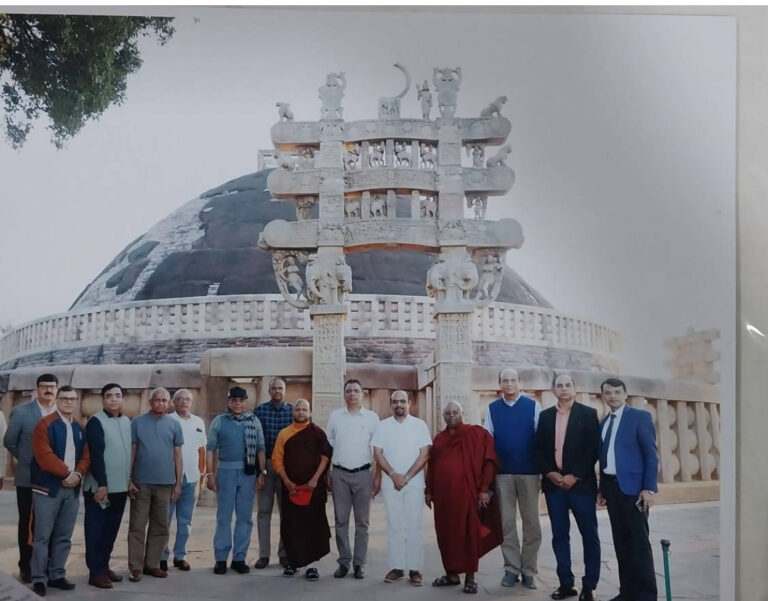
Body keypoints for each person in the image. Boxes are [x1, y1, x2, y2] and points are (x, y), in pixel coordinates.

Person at [426, 401, 502, 595]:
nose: (451, 415)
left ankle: (470, 578)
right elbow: (432, 467)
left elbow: (489, 462)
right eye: (448, 413)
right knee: (446, 536)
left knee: (468, 535)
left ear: (462, 413)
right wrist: (429, 491)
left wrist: (484, 489)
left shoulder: (476, 434)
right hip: (444, 499)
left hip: (467, 496)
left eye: (455, 412)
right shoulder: (439, 439)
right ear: (443, 416)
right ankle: (451, 574)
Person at [536, 374, 600, 601]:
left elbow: (593, 449)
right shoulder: (544, 417)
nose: (564, 389)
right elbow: (539, 450)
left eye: (568, 385)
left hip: (581, 486)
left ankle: (590, 586)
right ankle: (566, 584)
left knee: (589, 535)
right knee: (559, 535)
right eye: (559, 385)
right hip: (555, 487)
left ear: (575, 387)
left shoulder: (588, 414)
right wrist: (551, 473)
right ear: (553, 390)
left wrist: (576, 475)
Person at [597, 378, 659, 601]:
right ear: (603, 396)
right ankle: (628, 592)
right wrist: (602, 489)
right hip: (613, 490)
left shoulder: (639, 417)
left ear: (625, 394)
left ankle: (646, 595)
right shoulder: (604, 423)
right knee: (622, 543)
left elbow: (651, 455)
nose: (612, 396)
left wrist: (648, 489)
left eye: (616, 392)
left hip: (634, 490)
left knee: (639, 544)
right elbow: (605, 458)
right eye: (607, 392)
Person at [483, 367, 541, 589]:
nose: (509, 384)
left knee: (531, 524)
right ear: (500, 384)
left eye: (512, 380)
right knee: (506, 523)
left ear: (519, 383)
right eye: (505, 380)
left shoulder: (533, 406)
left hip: (529, 472)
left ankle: (528, 570)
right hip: (503, 474)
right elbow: (488, 442)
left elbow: (540, 439)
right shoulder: (492, 409)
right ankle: (511, 569)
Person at [29, 385, 91, 596]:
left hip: (71, 490)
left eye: (72, 399)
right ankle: (38, 578)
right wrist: (66, 474)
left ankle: (57, 575)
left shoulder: (80, 428)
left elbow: (86, 455)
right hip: (48, 489)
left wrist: (78, 474)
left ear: (76, 402)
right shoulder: (44, 425)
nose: (68, 402)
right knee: (42, 537)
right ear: (57, 400)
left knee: (64, 536)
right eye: (64, 398)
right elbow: (44, 456)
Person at [372, 390, 432, 586]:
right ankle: (397, 568)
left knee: (414, 526)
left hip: (413, 483)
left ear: (409, 403)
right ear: (391, 405)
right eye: (395, 402)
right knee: (394, 525)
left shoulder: (419, 425)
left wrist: (406, 477)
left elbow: (424, 455)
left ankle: (415, 569)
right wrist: (393, 475)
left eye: (403, 401)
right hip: (392, 484)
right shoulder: (382, 426)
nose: (399, 405)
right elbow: (378, 454)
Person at [4, 373, 59, 583]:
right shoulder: (21, 412)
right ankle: (26, 566)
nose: (48, 390)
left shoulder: (62, 412)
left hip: (55, 479)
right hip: (29, 478)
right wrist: (28, 459)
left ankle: (48, 566)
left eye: (52, 387)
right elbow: (10, 441)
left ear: (57, 389)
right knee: (28, 523)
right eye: (44, 386)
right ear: (37, 389)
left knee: (52, 524)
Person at [206, 386, 266, 575]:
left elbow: (260, 448)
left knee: (245, 518)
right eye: (234, 400)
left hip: (247, 473)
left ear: (245, 401)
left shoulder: (254, 421)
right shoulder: (219, 421)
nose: (237, 404)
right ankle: (221, 558)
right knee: (224, 517)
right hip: (225, 471)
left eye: (240, 400)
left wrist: (261, 473)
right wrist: (210, 474)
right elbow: (211, 449)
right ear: (229, 401)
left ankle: (239, 557)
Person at [127, 387, 183, 583]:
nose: (160, 403)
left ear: (169, 403)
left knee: (161, 526)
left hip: (166, 483)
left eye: (164, 400)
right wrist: (129, 478)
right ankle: (135, 567)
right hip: (141, 483)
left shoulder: (174, 425)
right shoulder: (137, 422)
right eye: (157, 400)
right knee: (137, 526)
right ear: (150, 402)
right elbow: (132, 450)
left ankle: (152, 564)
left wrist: (178, 483)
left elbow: (177, 455)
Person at [326, 379, 381, 579]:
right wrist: (328, 475)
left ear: (362, 394)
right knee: (340, 521)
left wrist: (378, 478)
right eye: (348, 391)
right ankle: (344, 562)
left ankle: (359, 564)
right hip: (339, 474)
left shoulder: (372, 418)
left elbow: (378, 451)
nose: (352, 394)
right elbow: (328, 448)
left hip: (363, 474)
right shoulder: (335, 417)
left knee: (362, 523)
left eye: (356, 391)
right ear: (344, 394)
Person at [272, 399, 332, 580]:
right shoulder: (284, 434)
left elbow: (326, 456)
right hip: (292, 489)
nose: (300, 412)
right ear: (293, 413)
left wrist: (315, 479)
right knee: (291, 525)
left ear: (310, 412)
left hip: (314, 489)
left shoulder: (317, 433)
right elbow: (277, 460)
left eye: (304, 409)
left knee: (313, 525)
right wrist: (287, 482)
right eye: (297, 409)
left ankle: (311, 566)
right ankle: (292, 563)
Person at [82, 383, 132, 589]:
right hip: (100, 487)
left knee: (111, 530)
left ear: (122, 399)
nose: (113, 399)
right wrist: (102, 485)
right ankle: (95, 572)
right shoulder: (96, 421)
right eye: (109, 395)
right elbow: (95, 455)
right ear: (102, 400)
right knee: (95, 530)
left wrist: (130, 480)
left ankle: (103, 566)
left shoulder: (127, 421)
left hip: (120, 487)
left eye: (118, 395)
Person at [161, 388, 207, 571]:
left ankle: (180, 555)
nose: (184, 402)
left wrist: (203, 474)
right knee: (164, 520)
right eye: (180, 399)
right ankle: (161, 555)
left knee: (185, 520)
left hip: (192, 477)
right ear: (174, 401)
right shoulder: (167, 420)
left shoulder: (198, 421)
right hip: (171, 478)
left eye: (188, 399)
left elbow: (202, 449)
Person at [254, 377, 293, 569]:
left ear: (285, 391)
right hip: (267, 465)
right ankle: (263, 555)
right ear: (269, 391)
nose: (277, 391)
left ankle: (284, 554)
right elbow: (254, 443)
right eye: (274, 388)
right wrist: (258, 471)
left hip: (286, 467)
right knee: (263, 512)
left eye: (281, 388)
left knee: (286, 513)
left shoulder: (293, 412)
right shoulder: (260, 411)